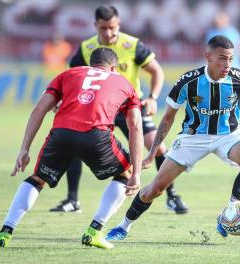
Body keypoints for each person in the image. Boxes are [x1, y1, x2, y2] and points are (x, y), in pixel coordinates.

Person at [106, 35, 240, 241]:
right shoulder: (188, 81)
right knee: (156, 188)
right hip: (193, 138)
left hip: (229, 134)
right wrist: (151, 154)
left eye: (230, 58)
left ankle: (229, 212)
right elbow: (167, 119)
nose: (227, 64)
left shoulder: (239, 77)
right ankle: (123, 226)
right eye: (221, 58)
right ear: (208, 57)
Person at [0, 47, 143, 249]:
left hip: (61, 134)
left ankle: (5, 233)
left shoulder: (68, 74)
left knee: (37, 179)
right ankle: (94, 231)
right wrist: (137, 172)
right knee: (126, 174)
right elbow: (135, 126)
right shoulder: (124, 83)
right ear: (114, 67)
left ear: (91, 64)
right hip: (96, 135)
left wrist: (24, 149)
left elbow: (40, 108)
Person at [50, 5, 188, 214]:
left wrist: (153, 97)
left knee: (157, 146)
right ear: (95, 25)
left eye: (112, 28)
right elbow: (73, 79)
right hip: (99, 107)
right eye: (104, 28)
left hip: (130, 106)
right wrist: (64, 100)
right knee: (74, 141)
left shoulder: (131, 45)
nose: (108, 33)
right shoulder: (87, 48)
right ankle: (72, 200)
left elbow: (156, 71)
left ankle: (172, 196)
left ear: (119, 24)